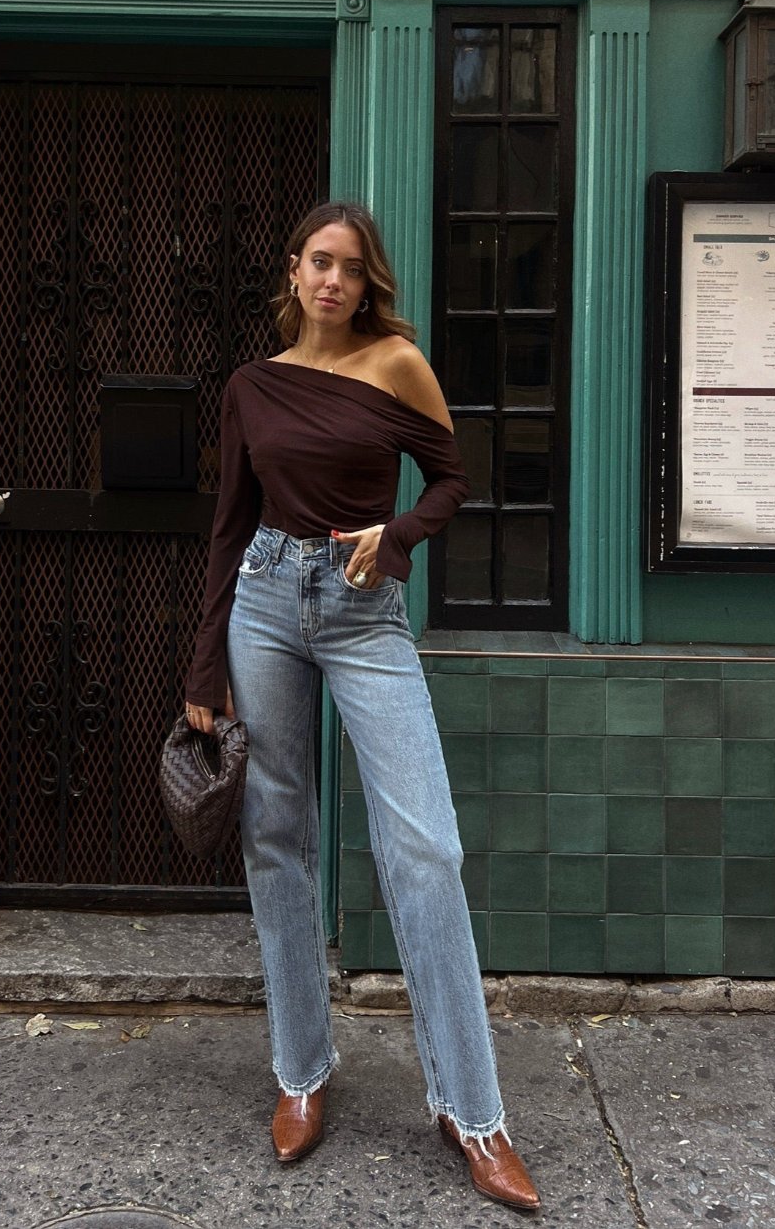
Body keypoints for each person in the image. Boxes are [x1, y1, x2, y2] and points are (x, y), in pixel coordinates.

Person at [184, 201, 541, 1212]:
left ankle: (472, 1111)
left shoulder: (395, 365)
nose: (331, 279)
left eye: (348, 265)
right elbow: (226, 531)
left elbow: (452, 479)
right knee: (276, 835)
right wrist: (200, 675)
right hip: (262, 602)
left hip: (362, 612)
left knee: (425, 847)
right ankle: (302, 1071)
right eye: (316, 262)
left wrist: (397, 534)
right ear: (292, 273)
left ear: (365, 278)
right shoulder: (251, 388)